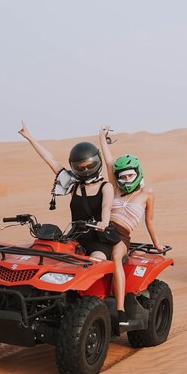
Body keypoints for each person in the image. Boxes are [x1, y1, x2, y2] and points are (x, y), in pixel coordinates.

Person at [18, 120, 115, 260]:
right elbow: (50, 160)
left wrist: (104, 222)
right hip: (75, 238)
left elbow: (107, 206)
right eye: (81, 167)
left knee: (96, 262)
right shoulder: (73, 184)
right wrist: (29, 137)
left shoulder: (106, 187)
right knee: (52, 260)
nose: (86, 170)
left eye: (90, 165)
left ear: (97, 162)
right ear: (74, 166)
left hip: (99, 240)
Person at [99, 126, 163, 327]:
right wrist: (101, 138)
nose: (125, 180)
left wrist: (157, 245)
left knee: (116, 257)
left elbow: (149, 221)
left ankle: (119, 310)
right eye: (122, 177)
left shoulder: (148, 193)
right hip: (103, 229)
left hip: (122, 235)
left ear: (138, 173)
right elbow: (109, 163)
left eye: (129, 176)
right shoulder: (116, 188)